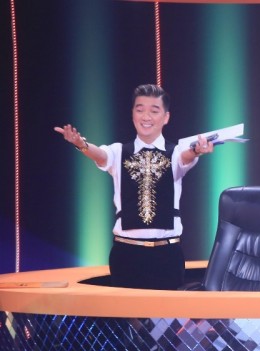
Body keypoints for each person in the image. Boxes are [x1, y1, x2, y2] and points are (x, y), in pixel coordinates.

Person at [54, 84, 214, 290]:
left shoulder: (175, 152)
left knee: (164, 309)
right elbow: (100, 155)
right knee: (126, 310)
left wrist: (197, 150)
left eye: (154, 111)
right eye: (140, 110)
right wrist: (81, 144)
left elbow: (187, 155)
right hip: (126, 253)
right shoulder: (118, 151)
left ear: (166, 117)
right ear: (133, 114)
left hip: (167, 255)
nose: (146, 116)